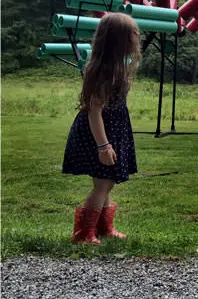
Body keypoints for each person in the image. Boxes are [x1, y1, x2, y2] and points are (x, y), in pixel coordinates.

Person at [62, 13, 141, 245]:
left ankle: (104, 228)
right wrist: (103, 145)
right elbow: (94, 111)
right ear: (119, 40)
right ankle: (84, 234)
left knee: (106, 182)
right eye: (132, 34)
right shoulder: (104, 71)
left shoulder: (117, 67)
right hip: (100, 134)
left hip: (112, 132)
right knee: (103, 183)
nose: (137, 37)